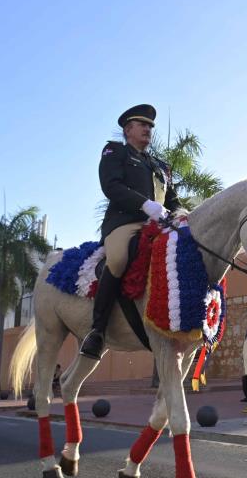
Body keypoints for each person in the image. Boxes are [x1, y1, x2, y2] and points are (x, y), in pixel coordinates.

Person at [80, 104, 182, 359]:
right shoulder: (115, 152)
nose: (148, 129)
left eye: (150, 126)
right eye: (143, 125)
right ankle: (97, 330)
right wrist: (144, 204)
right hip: (125, 223)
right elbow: (111, 186)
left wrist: (182, 214)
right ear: (128, 130)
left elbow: (173, 200)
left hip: (158, 226)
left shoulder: (161, 166)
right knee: (118, 259)